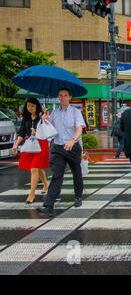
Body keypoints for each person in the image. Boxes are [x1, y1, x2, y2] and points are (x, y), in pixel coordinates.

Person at [37, 88, 86, 217]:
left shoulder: (75, 112)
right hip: (58, 148)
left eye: (65, 95)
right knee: (57, 176)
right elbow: (49, 130)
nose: (63, 98)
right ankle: (48, 205)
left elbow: (79, 129)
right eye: (60, 96)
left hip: (72, 147)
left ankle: (78, 196)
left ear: (70, 97)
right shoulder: (54, 113)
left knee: (77, 172)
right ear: (58, 98)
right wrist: (45, 120)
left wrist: (73, 140)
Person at [12, 98, 50, 204]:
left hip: (41, 144)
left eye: (32, 106)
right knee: (38, 168)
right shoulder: (25, 119)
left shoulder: (41, 118)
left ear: (37, 107)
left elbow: (47, 131)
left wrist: (37, 132)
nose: (30, 108)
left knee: (34, 168)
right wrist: (16, 145)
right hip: (30, 144)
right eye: (28, 106)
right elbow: (21, 133)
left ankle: (31, 194)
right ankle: (46, 184)